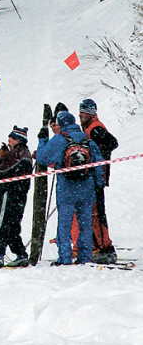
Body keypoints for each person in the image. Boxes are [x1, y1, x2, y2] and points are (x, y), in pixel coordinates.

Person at [36, 110, 104, 266]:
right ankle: (85, 256)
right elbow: (98, 164)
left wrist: (42, 140)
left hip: (66, 189)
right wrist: (98, 184)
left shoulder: (60, 139)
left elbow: (43, 157)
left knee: (64, 224)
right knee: (85, 224)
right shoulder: (88, 140)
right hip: (86, 188)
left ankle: (65, 257)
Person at [0, 125, 33, 268]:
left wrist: (3, 156)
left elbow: (2, 167)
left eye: (11, 138)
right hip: (20, 194)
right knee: (13, 226)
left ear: (17, 140)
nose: (9, 141)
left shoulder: (19, 153)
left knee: (2, 225)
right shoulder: (24, 153)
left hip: (11, 192)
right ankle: (20, 254)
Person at [76, 99, 119, 263]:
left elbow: (112, 142)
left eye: (84, 113)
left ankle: (106, 249)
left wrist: (99, 155)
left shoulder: (95, 128)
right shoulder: (88, 128)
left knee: (97, 214)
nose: (81, 115)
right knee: (94, 213)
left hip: (97, 177)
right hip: (94, 176)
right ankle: (100, 246)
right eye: (80, 112)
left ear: (92, 113)